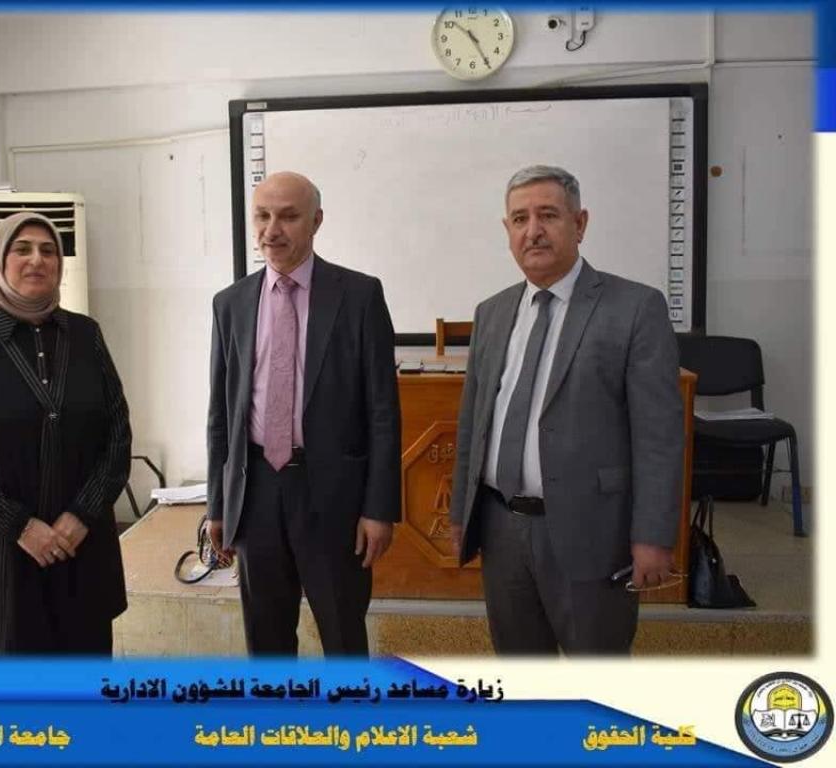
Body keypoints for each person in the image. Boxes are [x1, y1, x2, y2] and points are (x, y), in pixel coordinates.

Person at [448, 165, 683, 655]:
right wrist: (460, 515)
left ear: (580, 223)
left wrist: (653, 536)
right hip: (502, 529)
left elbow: (658, 438)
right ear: (507, 230)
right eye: (519, 219)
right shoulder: (492, 312)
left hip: (593, 532)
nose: (533, 230)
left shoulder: (635, 308)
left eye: (548, 215)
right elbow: (473, 424)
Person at [206, 171, 401, 656]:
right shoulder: (230, 304)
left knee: (342, 637)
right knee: (266, 642)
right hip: (255, 492)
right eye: (262, 216)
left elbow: (383, 411)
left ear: (316, 221)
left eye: (288, 217)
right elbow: (220, 414)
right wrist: (217, 505)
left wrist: (379, 508)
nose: (272, 230)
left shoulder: (358, 296)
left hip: (333, 495)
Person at [0, 211, 131, 655]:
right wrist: (20, 527)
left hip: (80, 544)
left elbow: (117, 434)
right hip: (1, 552)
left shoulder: (87, 336)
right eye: (22, 249)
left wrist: (82, 514)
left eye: (48, 250)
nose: (37, 260)